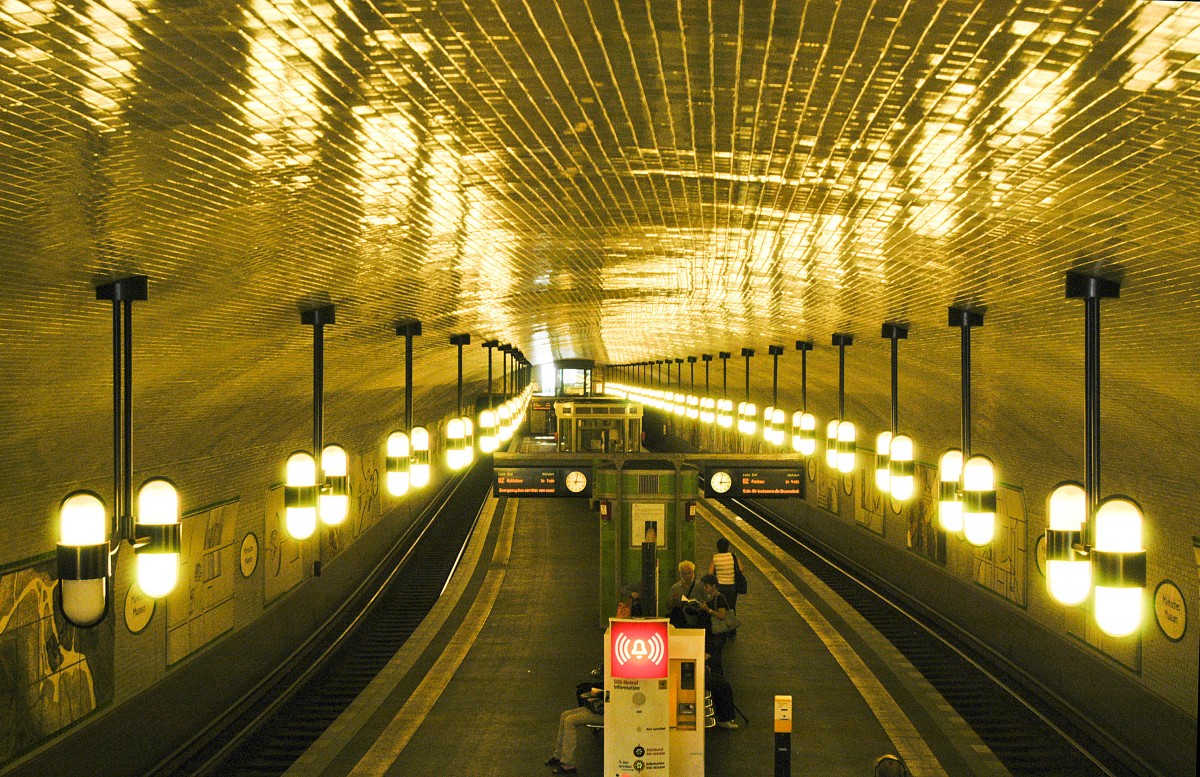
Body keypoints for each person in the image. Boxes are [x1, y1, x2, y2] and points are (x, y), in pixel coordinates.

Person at [544, 687, 603, 774]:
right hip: (601, 708)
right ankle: (558, 755)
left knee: (570, 720)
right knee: (564, 715)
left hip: (607, 714)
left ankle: (568, 763)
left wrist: (598, 692)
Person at [696, 573, 731, 676]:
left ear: (714, 586)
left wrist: (708, 610)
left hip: (716, 634)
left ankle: (717, 677)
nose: (704, 588)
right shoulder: (710, 598)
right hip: (711, 633)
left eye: (706, 585)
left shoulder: (720, 598)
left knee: (715, 659)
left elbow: (722, 615)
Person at [707, 537, 743, 614]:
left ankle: (722, 620)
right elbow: (741, 569)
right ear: (727, 547)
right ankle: (732, 620)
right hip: (732, 587)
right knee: (731, 606)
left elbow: (710, 573)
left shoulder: (715, 557)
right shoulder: (733, 556)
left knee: (720, 606)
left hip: (720, 587)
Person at [667, 560, 700, 628]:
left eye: (689, 573)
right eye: (684, 573)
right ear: (680, 574)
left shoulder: (700, 586)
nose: (687, 576)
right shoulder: (675, 588)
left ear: (693, 572)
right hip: (680, 621)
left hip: (697, 621)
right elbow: (669, 607)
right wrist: (673, 600)